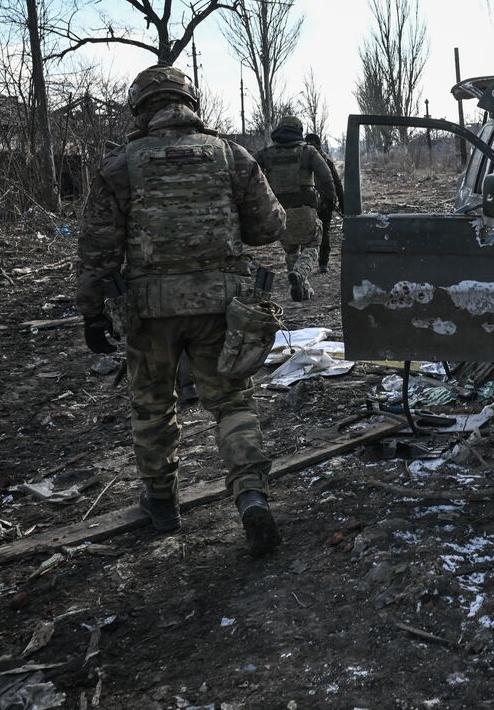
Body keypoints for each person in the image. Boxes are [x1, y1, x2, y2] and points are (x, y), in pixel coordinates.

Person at [76, 64, 287, 556]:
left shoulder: (120, 165)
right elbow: (268, 226)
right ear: (190, 103)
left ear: (141, 108)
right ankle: (251, 496)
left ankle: (161, 504)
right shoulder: (229, 155)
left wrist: (91, 312)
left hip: (151, 313)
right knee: (231, 402)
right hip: (223, 308)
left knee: (152, 405)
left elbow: (97, 249)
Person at [254, 115, 335, 301]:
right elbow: (326, 176)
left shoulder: (266, 153)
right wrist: (330, 199)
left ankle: (301, 288)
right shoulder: (308, 151)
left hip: (279, 211)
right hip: (304, 208)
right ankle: (299, 274)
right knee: (313, 242)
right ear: (299, 131)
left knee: (291, 249)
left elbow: (249, 170)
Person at [304, 133, 345, 273]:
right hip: (324, 202)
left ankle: (305, 263)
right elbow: (337, 182)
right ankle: (323, 263)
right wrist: (342, 201)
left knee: (308, 232)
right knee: (325, 230)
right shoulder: (325, 159)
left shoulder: (302, 158)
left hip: (308, 202)